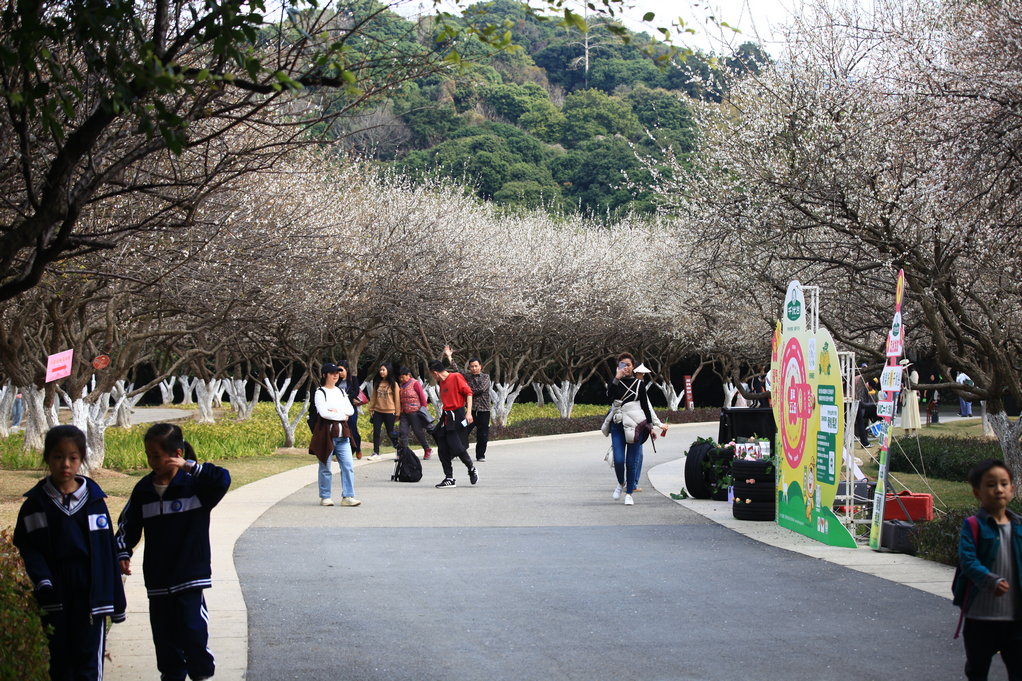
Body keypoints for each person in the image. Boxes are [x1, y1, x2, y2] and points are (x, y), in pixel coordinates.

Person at [116, 423, 231, 681]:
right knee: (165, 639)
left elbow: (223, 478)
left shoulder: (196, 487)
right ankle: (172, 676)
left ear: (177, 453)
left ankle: (201, 673)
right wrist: (123, 552)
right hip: (158, 579)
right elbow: (127, 525)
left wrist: (189, 466)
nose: (152, 461)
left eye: (157, 455)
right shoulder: (143, 490)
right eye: (148, 455)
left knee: (193, 632)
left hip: (190, 575)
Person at [14, 425, 126, 681]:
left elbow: (106, 552)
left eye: (73, 457)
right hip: (55, 594)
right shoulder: (35, 506)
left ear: (82, 460)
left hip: (91, 596)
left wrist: (116, 602)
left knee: (88, 662)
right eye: (57, 456)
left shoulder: (95, 502)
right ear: (47, 458)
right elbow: (28, 549)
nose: (65, 463)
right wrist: (43, 580)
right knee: (61, 662)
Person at [954, 459, 1022, 681]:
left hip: (1015, 618)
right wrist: (990, 580)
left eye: (1004, 483)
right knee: (977, 669)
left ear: (1012, 488)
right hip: (980, 617)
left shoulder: (1019, 527)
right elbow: (968, 561)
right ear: (977, 493)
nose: (999, 489)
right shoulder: (973, 525)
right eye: (991, 484)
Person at [604, 353, 667, 506]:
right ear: (618, 367)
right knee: (618, 460)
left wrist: (651, 427)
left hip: (636, 427)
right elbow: (609, 396)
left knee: (631, 462)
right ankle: (621, 483)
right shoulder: (615, 382)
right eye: (622, 364)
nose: (625, 367)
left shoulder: (639, 385)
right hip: (618, 425)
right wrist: (617, 378)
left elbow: (646, 407)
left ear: (633, 367)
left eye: (628, 365)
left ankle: (629, 493)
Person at [309, 363, 361, 507]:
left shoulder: (341, 392)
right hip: (326, 434)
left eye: (337, 373)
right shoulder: (320, 392)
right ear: (324, 375)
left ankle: (348, 496)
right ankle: (325, 496)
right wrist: (340, 414)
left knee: (348, 466)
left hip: (342, 435)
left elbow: (350, 411)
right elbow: (323, 412)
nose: (336, 375)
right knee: (325, 467)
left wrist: (335, 412)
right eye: (332, 373)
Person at [428, 358, 478, 488]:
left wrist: (469, 413)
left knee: (456, 446)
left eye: (432, 375)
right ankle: (449, 478)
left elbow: (469, 393)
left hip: (458, 414)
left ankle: (471, 468)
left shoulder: (456, 377)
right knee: (442, 449)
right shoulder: (442, 383)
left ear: (435, 373)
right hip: (447, 417)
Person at [444, 345, 492, 462]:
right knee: (462, 430)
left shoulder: (486, 377)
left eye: (476, 366)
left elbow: (480, 389)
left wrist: (466, 391)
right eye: (472, 367)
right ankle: (456, 451)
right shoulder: (466, 376)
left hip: (484, 411)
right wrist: (449, 356)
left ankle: (480, 455)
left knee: (483, 434)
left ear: (480, 366)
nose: (474, 368)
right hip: (470, 412)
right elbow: (456, 369)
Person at [397, 366, 432, 459]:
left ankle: (427, 449)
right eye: (400, 377)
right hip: (404, 412)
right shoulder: (401, 385)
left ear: (408, 375)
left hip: (415, 412)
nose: (401, 379)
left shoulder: (415, 383)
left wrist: (424, 408)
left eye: (403, 377)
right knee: (402, 432)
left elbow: (422, 396)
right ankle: (404, 452)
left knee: (418, 432)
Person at [367, 362, 400, 460]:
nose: (381, 372)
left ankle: (399, 449)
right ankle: (376, 453)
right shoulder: (377, 383)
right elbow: (373, 397)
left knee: (391, 433)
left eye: (383, 370)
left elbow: (397, 399)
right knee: (376, 432)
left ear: (388, 371)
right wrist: (371, 408)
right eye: (380, 370)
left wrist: (398, 413)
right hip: (378, 411)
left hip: (390, 412)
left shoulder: (394, 384)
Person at [336, 360, 365, 459]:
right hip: (340, 409)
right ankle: (347, 451)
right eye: (338, 370)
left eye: (341, 370)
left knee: (353, 429)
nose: (339, 372)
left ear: (346, 369)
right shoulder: (336, 381)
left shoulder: (353, 379)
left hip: (350, 408)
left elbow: (356, 391)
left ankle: (358, 448)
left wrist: (345, 397)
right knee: (342, 430)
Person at [854, 364, 878, 447]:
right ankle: (864, 442)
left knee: (860, 422)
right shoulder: (860, 379)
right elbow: (860, 397)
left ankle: (864, 442)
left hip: (858, 403)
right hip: (857, 404)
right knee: (860, 422)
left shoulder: (859, 378)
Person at [900, 359, 921, 436]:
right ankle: (906, 432)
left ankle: (914, 431)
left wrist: (905, 389)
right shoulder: (906, 374)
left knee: (912, 413)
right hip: (906, 396)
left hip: (911, 396)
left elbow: (913, 386)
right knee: (906, 413)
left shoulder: (914, 373)